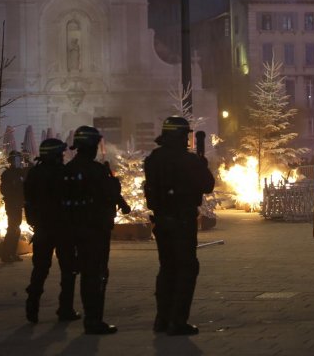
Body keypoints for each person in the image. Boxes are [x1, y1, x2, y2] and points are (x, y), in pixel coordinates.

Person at [144, 116, 215, 336]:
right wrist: (202, 165)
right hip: (182, 222)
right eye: (185, 134)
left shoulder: (153, 159)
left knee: (167, 268)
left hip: (162, 220)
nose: (187, 138)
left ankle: (162, 319)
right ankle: (178, 321)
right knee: (186, 268)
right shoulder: (189, 161)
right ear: (179, 136)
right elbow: (207, 185)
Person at [64, 125, 129, 335]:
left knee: (85, 273)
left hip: (74, 229)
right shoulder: (97, 170)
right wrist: (114, 183)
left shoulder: (68, 170)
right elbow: (110, 194)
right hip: (95, 230)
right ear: (91, 146)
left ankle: (87, 317)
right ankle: (94, 320)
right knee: (97, 274)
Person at [24, 138, 80, 324]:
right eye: (61, 153)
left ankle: (32, 306)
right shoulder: (63, 174)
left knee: (40, 269)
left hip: (42, 229)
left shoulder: (34, 173)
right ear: (56, 154)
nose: (63, 156)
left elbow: (28, 200)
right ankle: (65, 309)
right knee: (68, 270)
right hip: (63, 229)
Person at [0, 150, 28, 263]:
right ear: (11, 161)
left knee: (16, 229)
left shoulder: (20, 172)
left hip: (18, 204)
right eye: (17, 159)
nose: (19, 161)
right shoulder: (8, 174)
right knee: (12, 229)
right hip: (12, 205)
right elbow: (4, 190)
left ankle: (12, 253)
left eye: (19, 159)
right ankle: (6, 255)